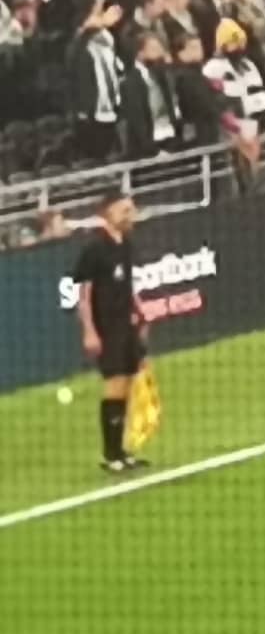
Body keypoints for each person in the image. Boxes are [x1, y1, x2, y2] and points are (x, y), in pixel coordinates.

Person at [76, 189, 148, 474]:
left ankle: (121, 451)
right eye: (125, 210)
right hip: (107, 328)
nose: (131, 215)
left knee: (127, 384)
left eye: (131, 210)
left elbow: (128, 285)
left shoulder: (126, 244)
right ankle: (110, 454)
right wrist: (89, 331)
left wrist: (141, 314)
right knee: (114, 386)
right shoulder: (95, 249)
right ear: (108, 213)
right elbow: (84, 295)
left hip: (127, 324)